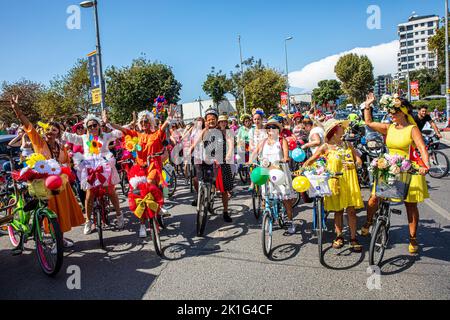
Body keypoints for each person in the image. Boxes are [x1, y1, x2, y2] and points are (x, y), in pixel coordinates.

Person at [10, 95, 84, 248]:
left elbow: (66, 164)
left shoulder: (61, 147)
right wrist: (17, 110)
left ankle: (60, 239)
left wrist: (65, 171)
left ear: (58, 132)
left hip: (60, 185)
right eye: (48, 129)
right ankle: (47, 237)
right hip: (43, 184)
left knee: (61, 214)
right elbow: (28, 125)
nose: (50, 131)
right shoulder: (39, 141)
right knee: (48, 212)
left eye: (54, 129)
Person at [362, 93, 429, 254]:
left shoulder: (412, 129)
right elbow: (369, 122)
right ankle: (369, 222)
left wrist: (425, 165)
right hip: (389, 165)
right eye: (390, 113)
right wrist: (367, 105)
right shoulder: (388, 127)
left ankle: (413, 238)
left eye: (395, 112)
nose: (391, 115)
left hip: (407, 168)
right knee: (373, 198)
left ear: (403, 112)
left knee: (410, 205)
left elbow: (421, 147)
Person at [105, 108, 174, 238]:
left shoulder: (156, 134)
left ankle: (159, 206)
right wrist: (109, 123)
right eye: (141, 121)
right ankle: (142, 225)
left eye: (146, 121)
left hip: (153, 164)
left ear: (151, 122)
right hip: (140, 167)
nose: (143, 123)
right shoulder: (136, 134)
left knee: (149, 183)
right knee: (140, 196)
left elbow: (163, 128)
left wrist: (169, 118)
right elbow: (123, 130)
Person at [303, 119, 364, 251]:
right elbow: (310, 161)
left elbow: (359, 160)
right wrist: (304, 171)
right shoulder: (326, 147)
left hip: (350, 181)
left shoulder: (348, 144)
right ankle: (339, 236)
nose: (344, 129)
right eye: (341, 127)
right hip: (335, 182)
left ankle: (353, 238)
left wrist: (356, 163)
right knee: (338, 211)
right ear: (334, 131)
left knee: (351, 211)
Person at [61, 114, 125, 235]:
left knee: (110, 191)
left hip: (104, 167)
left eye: (94, 125)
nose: (92, 128)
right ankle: (88, 221)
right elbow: (69, 137)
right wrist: (64, 126)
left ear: (99, 125)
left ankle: (119, 215)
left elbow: (119, 133)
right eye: (89, 126)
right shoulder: (84, 138)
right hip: (89, 167)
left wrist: (109, 124)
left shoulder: (105, 136)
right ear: (87, 128)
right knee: (89, 194)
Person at [250, 118, 297, 234]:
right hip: (266, 172)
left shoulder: (282, 140)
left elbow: (286, 155)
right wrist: (250, 160)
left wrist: (285, 158)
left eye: (274, 127)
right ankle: (268, 216)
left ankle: (291, 221)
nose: (271, 130)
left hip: (280, 171)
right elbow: (255, 152)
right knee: (266, 196)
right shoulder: (263, 141)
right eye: (269, 128)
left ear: (278, 130)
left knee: (285, 199)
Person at [191, 109, 234, 223]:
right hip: (207, 162)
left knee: (224, 190)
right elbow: (195, 143)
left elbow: (230, 143)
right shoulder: (204, 131)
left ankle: (225, 212)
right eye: (208, 119)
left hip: (221, 162)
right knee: (195, 180)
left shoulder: (223, 131)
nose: (211, 121)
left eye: (213, 119)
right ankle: (202, 197)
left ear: (217, 120)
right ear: (206, 121)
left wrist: (229, 153)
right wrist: (189, 150)